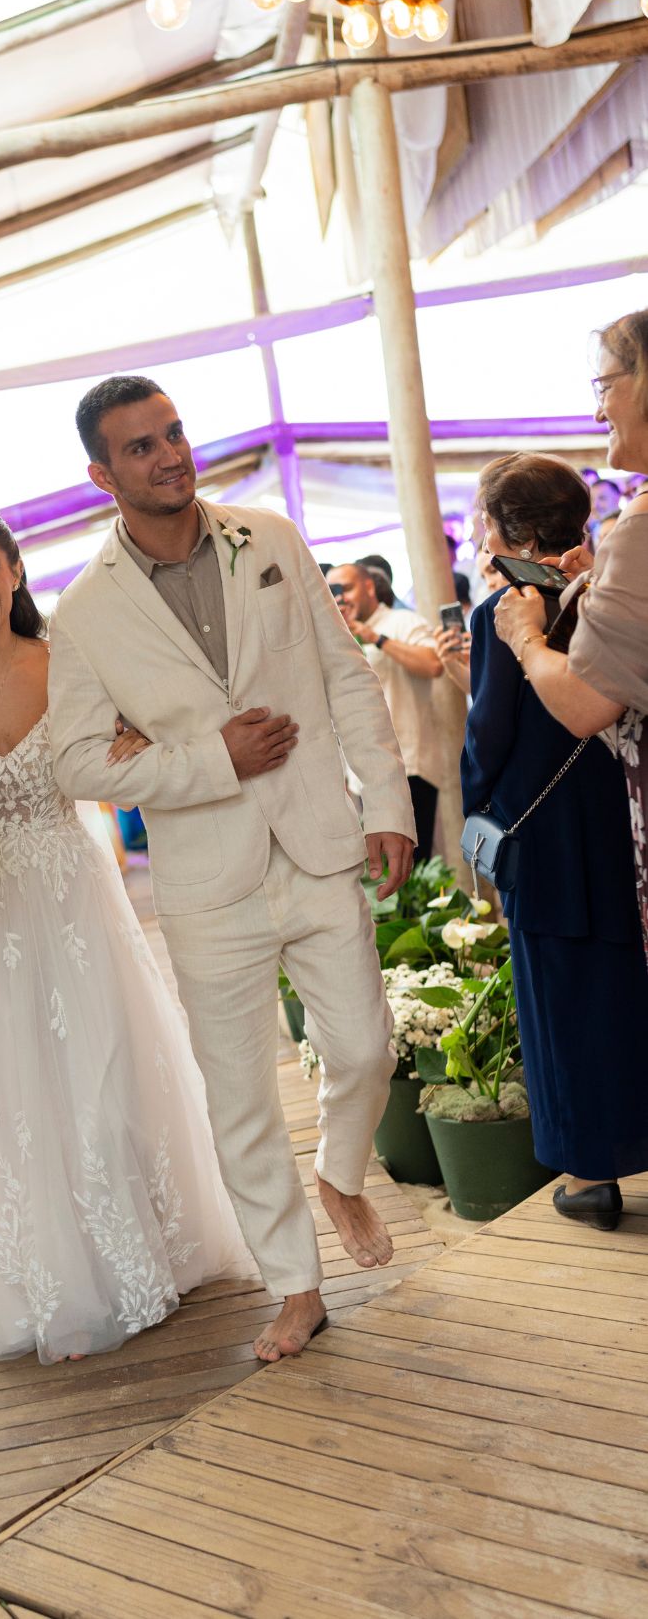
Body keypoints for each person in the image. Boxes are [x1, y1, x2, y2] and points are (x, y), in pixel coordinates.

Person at [47, 376, 416, 1362]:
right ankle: (294, 1284)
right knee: (241, 1093)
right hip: (208, 882)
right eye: (139, 446)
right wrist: (215, 759)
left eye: (173, 432)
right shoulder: (82, 612)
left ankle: (341, 1172)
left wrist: (385, 802)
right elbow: (78, 759)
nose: (169, 453)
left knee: (364, 1046)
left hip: (317, 842)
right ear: (99, 473)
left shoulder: (272, 538)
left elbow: (342, 676)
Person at [0, 506, 255, 1365]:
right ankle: (52, 1276)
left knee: (105, 1059)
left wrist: (136, 748)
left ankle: (152, 1247)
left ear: (15, 571)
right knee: (9, 1082)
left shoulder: (68, 662)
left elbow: (130, 755)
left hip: (70, 889)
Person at [467, 450, 648, 1231]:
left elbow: (488, 734)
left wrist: (475, 806)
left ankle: (589, 1174)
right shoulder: (603, 593)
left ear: (501, 527)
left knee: (558, 1004)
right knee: (625, 991)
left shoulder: (505, 612)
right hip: (618, 827)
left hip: (540, 839)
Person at [495, 308, 648, 967]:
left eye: (601, 387)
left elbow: (587, 704)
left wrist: (526, 638)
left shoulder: (639, 527)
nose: (595, 412)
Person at [327, 561, 444, 861]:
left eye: (347, 588)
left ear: (369, 587)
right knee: (380, 873)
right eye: (333, 591)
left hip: (410, 766)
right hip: (360, 776)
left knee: (416, 872)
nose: (342, 598)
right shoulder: (335, 637)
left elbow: (433, 664)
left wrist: (374, 637)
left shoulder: (402, 622)